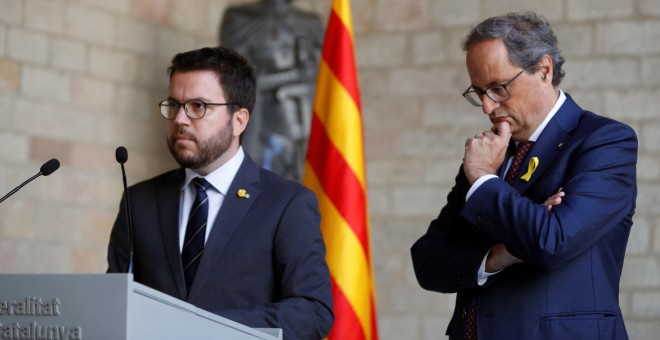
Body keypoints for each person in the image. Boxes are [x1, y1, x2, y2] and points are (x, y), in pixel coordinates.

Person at [411, 11, 637, 340]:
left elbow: (551, 241)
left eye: (498, 88)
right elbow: (427, 260)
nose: (488, 107)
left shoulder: (605, 141)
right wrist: (499, 255)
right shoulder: (489, 154)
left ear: (544, 70)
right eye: (478, 92)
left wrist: (486, 181)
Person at [106, 46, 333, 339]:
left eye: (198, 106)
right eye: (174, 105)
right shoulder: (138, 202)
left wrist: (206, 327)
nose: (180, 120)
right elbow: (114, 303)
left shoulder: (287, 203)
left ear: (239, 120)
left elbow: (312, 311)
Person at [220, 0, 324, 181]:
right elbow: (238, 79)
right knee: (261, 191)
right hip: (265, 126)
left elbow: (323, 75)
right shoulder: (240, 19)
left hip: (306, 126)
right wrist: (294, 75)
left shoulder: (311, 22)